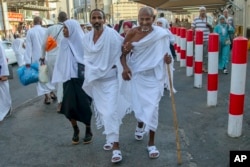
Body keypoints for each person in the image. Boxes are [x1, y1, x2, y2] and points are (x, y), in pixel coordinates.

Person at [120, 7, 172, 159]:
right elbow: (122, 54)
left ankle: (151, 143)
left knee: (153, 108)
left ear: (153, 19)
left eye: (147, 19)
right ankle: (140, 123)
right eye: (141, 19)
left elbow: (165, 54)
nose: (144, 22)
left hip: (155, 77)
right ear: (138, 18)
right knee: (140, 107)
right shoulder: (132, 33)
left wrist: (167, 60)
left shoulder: (160, 34)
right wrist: (125, 67)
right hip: (137, 76)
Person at [82, 9, 129, 163]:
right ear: (90, 20)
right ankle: (110, 138)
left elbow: (122, 52)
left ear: (104, 19)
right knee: (104, 113)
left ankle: (116, 147)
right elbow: (87, 57)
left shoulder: (112, 35)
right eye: (94, 18)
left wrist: (124, 68)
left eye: (99, 18)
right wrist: (92, 71)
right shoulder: (87, 38)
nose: (96, 20)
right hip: (96, 82)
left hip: (111, 81)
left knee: (110, 113)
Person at [52, 19, 93, 145]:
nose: (64, 30)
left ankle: (88, 129)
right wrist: (59, 76)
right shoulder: (64, 42)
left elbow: (90, 59)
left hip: (81, 78)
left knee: (85, 105)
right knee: (69, 107)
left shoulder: (83, 41)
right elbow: (60, 60)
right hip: (68, 78)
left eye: (66, 28)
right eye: (63, 28)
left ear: (73, 29)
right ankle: (75, 129)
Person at [24, 16, 56, 104]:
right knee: (48, 76)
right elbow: (52, 45)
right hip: (47, 56)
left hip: (37, 59)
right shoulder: (46, 30)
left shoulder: (30, 32)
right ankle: (52, 92)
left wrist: (27, 61)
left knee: (42, 78)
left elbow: (28, 47)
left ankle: (47, 97)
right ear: (41, 22)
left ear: (33, 23)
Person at [41, 11, 67, 112]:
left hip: (50, 57)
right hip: (62, 57)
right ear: (66, 18)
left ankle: (57, 96)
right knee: (61, 80)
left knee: (54, 79)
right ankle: (60, 102)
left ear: (57, 18)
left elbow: (43, 44)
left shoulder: (50, 29)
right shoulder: (66, 28)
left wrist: (42, 57)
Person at [156, 17, 177, 94]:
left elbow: (172, 40)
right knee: (159, 69)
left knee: (168, 68)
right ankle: (161, 84)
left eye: (160, 23)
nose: (158, 25)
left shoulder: (167, 31)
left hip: (166, 52)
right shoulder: (155, 31)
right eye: (157, 23)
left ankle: (169, 85)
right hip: (156, 53)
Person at [191, 6, 212, 73]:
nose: (202, 12)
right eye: (201, 11)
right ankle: (197, 66)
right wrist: (192, 37)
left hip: (206, 39)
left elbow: (212, 29)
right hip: (197, 40)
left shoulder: (209, 18)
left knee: (205, 54)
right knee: (197, 53)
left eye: (204, 11)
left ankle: (205, 67)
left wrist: (209, 25)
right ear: (199, 12)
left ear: (205, 11)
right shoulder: (196, 19)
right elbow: (192, 28)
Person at [0, 43, 12, 121]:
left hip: (1, 73)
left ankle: (7, 109)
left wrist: (4, 74)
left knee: (4, 92)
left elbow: (3, 59)